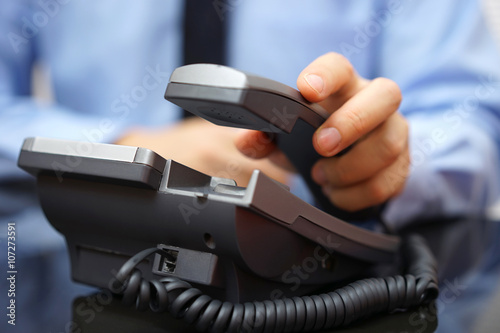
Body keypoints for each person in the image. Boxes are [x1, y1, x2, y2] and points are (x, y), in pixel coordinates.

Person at [0, 0, 499, 332]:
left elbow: (472, 111)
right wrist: (120, 146)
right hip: (84, 262)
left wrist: (392, 163)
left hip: (321, 241)